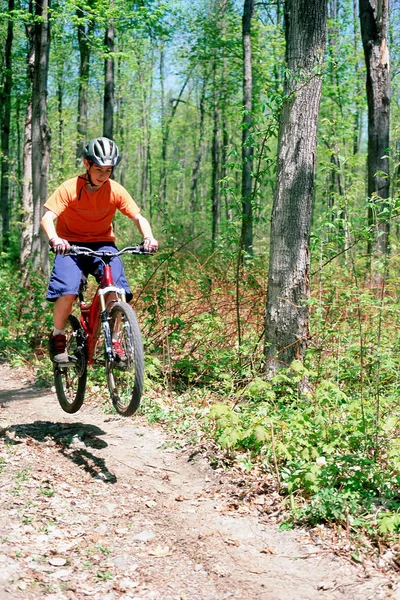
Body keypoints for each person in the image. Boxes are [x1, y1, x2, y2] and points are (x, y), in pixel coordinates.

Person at [41, 136, 158, 364]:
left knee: (116, 289)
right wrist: (55, 239)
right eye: (99, 169)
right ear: (87, 164)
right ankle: (57, 336)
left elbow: (138, 217)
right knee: (67, 289)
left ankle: (114, 341)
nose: (103, 175)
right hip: (70, 245)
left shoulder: (115, 190)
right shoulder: (70, 188)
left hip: (103, 244)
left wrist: (149, 237)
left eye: (108, 170)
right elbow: (47, 218)